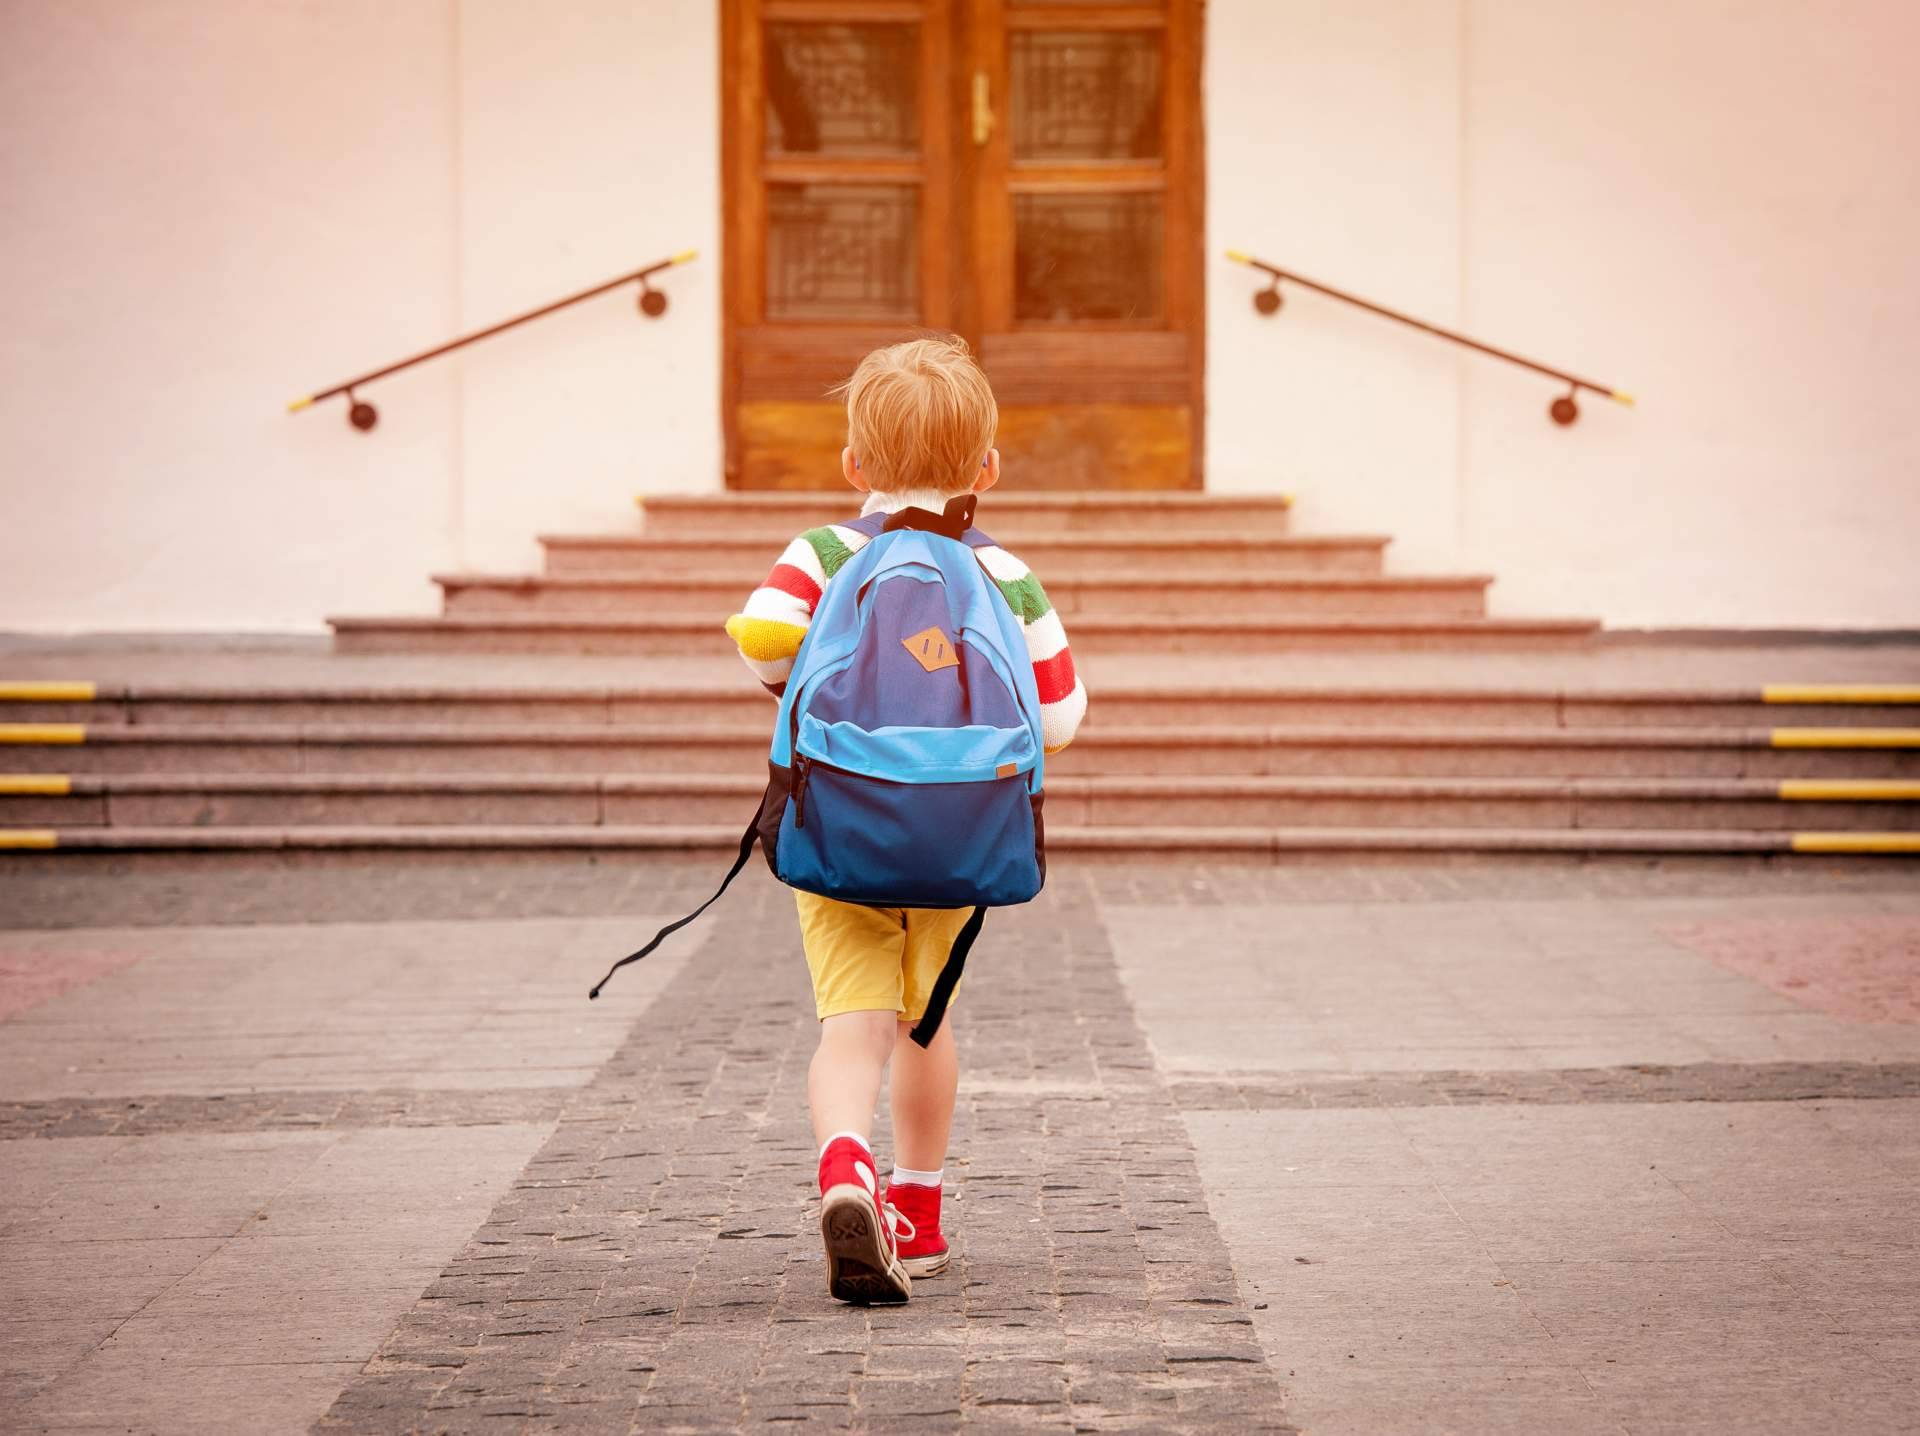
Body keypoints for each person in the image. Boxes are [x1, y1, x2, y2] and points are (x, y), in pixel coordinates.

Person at [724, 335, 1088, 1304]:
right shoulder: (1003, 570)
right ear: (987, 468)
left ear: (852, 466)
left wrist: (799, 684)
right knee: (926, 1023)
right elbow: (1058, 714)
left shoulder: (825, 550)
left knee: (851, 1026)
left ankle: (847, 1165)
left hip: (838, 824)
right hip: (958, 834)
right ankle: (918, 1214)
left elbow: (763, 635)